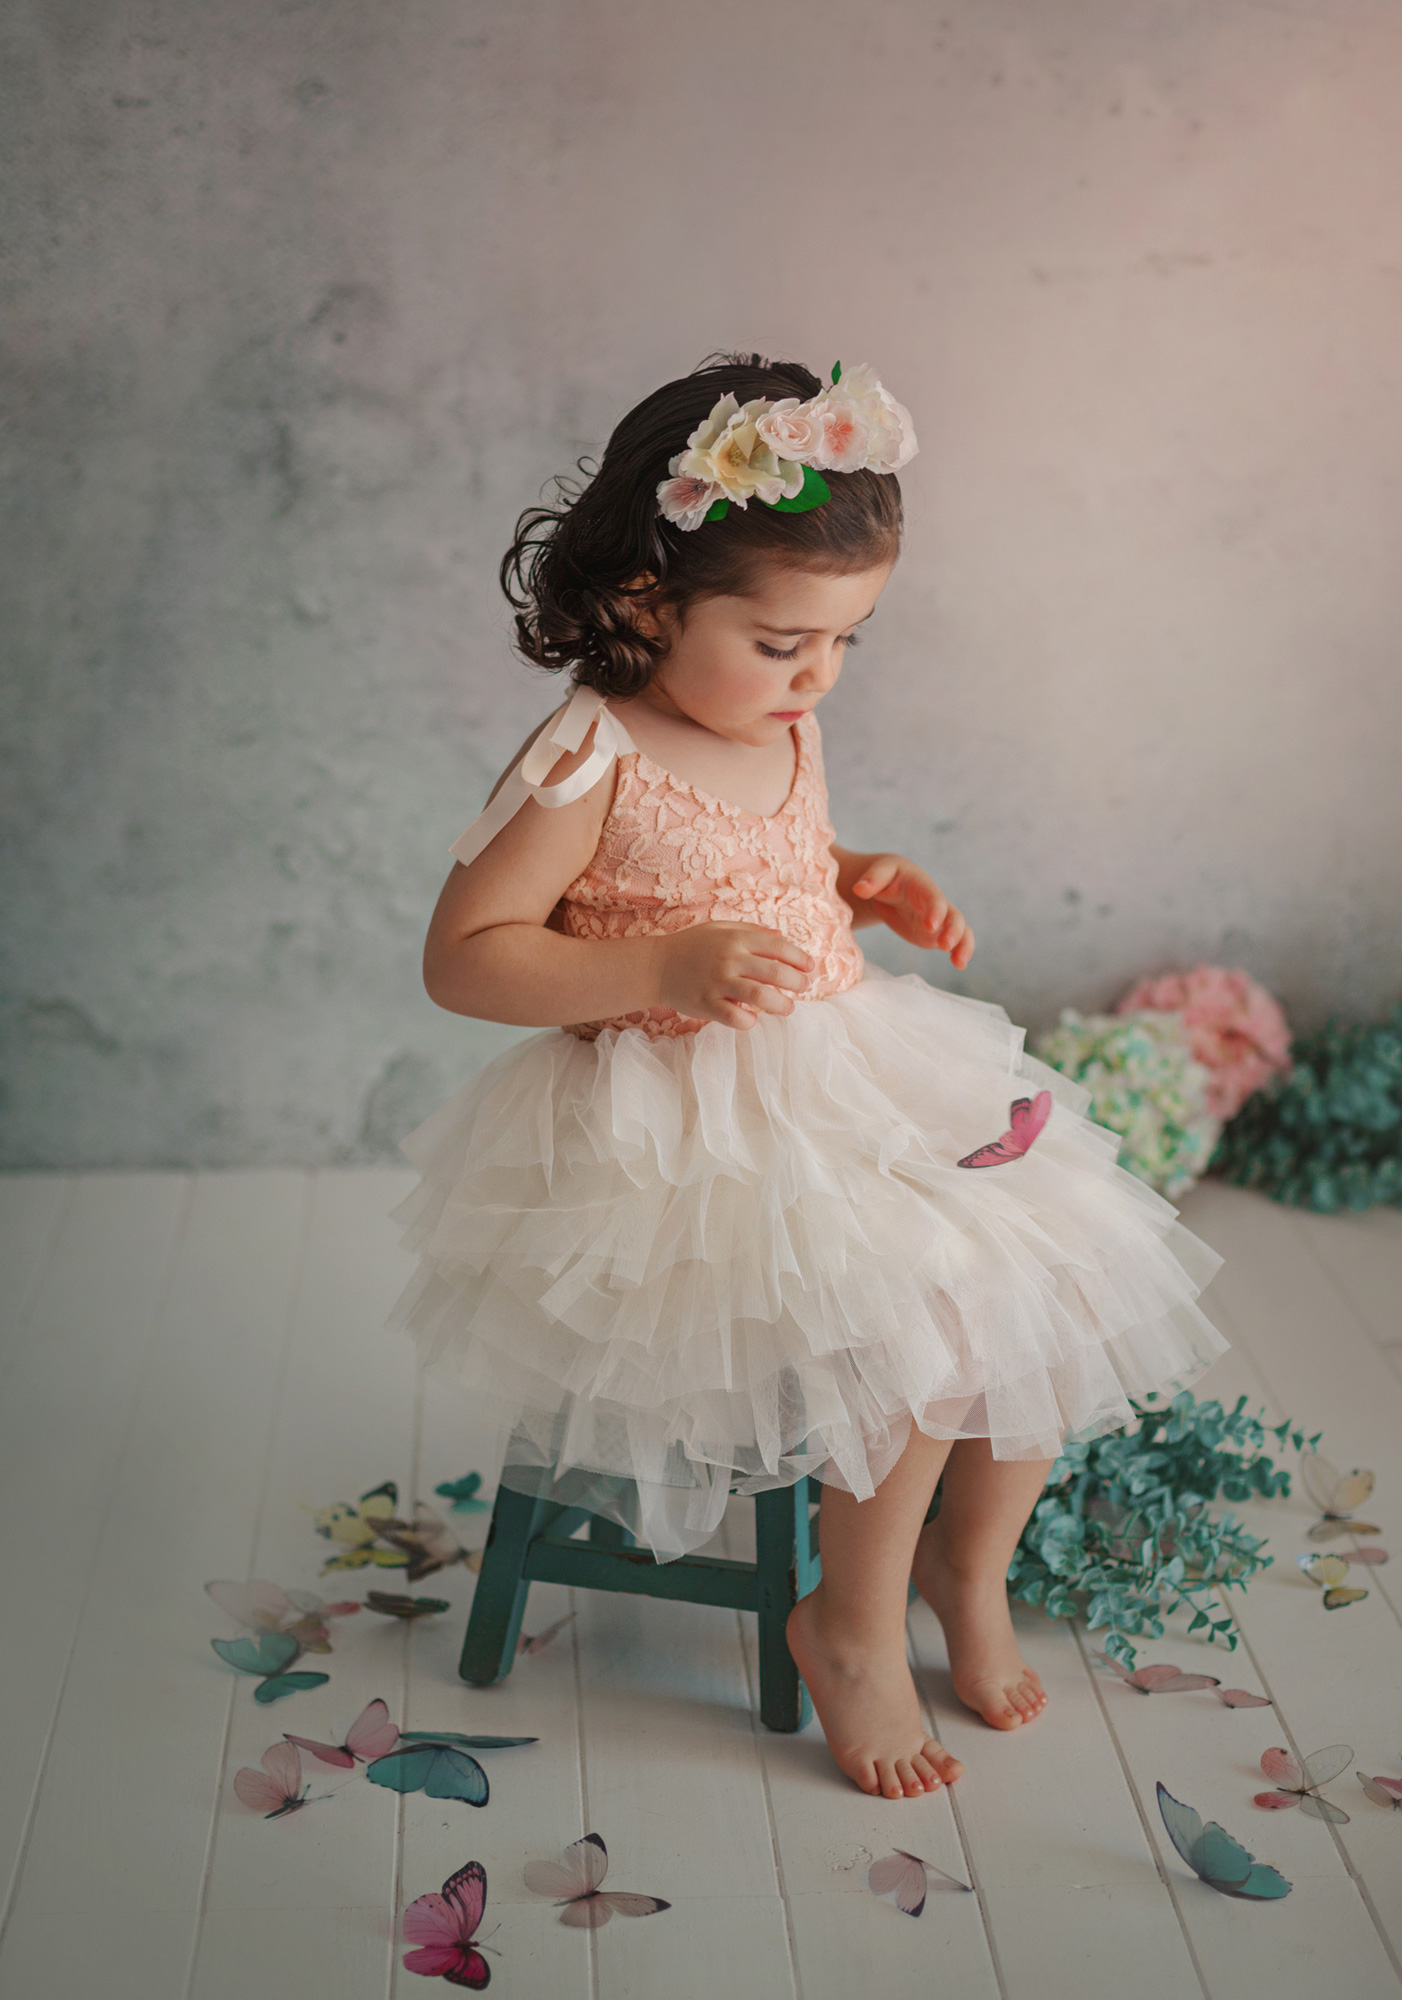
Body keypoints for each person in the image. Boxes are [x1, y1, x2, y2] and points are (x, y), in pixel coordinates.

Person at [390, 352, 1227, 1801]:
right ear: (650, 601)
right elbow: (467, 956)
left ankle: (964, 1571)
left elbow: (764, 856)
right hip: (684, 1130)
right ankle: (848, 1622)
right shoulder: (587, 756)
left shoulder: (777, 717)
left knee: (1054, 1260)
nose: (817, 677)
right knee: (912, 1311)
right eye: (785, 643)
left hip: (843, 1065)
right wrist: (656, 970)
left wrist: (855, 878)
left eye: (846, 643)